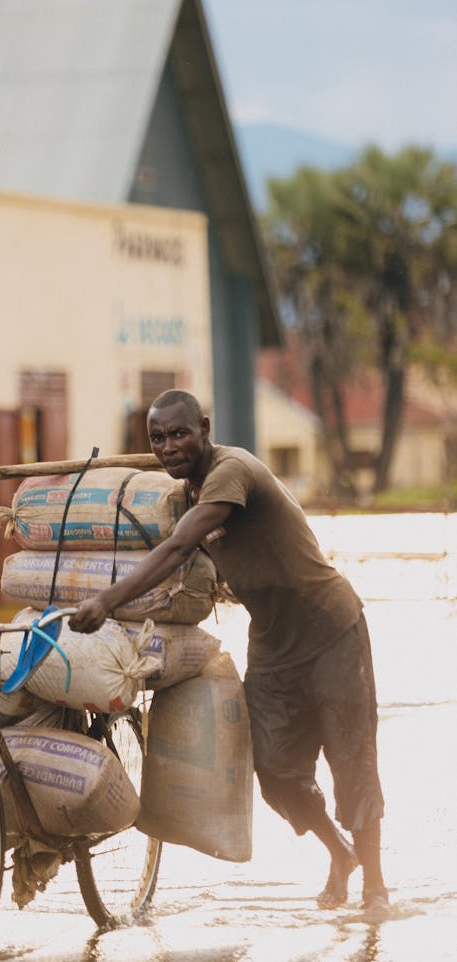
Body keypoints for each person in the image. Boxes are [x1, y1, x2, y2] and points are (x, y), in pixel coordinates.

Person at [70, 389, 389, 912]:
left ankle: (375, 886)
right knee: (276, 773)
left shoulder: (230, 470)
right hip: (272, 646)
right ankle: (340, 853)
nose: (169, 446)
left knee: (351, 759)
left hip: (331, 630)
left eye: (179, 434)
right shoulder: (189, 492)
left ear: (204, 428)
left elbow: (175, 547)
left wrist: (106, 599)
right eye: (157, 439)